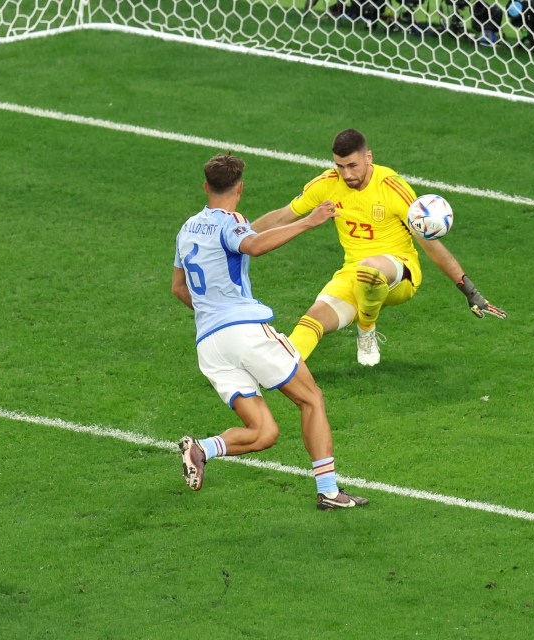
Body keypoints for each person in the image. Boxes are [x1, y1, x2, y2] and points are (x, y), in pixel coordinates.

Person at [173, 152, 369, 510]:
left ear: (205, 186)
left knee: (265, 433)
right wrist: (309, 222)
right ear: (240, 188)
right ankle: (328, 492)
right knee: (311, 399)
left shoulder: (186, 229)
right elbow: (254, 244)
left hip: (209, 344)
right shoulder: (230, 222)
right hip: (244, 332)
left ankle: (203, 447)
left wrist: (212, 316)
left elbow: (178, 288)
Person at [251, 129, 506, 367]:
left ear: (368, 157)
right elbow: (284, 215)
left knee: (371, 268)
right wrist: (238, 235)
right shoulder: (326, 185)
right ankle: (272, 372)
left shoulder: (392, 188)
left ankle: (366, 329)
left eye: (352, 165)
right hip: (352, 273)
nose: (347, 174)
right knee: (310, 323)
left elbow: (430, 245)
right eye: (340, 166)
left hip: (400, 272)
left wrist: (470, 291)